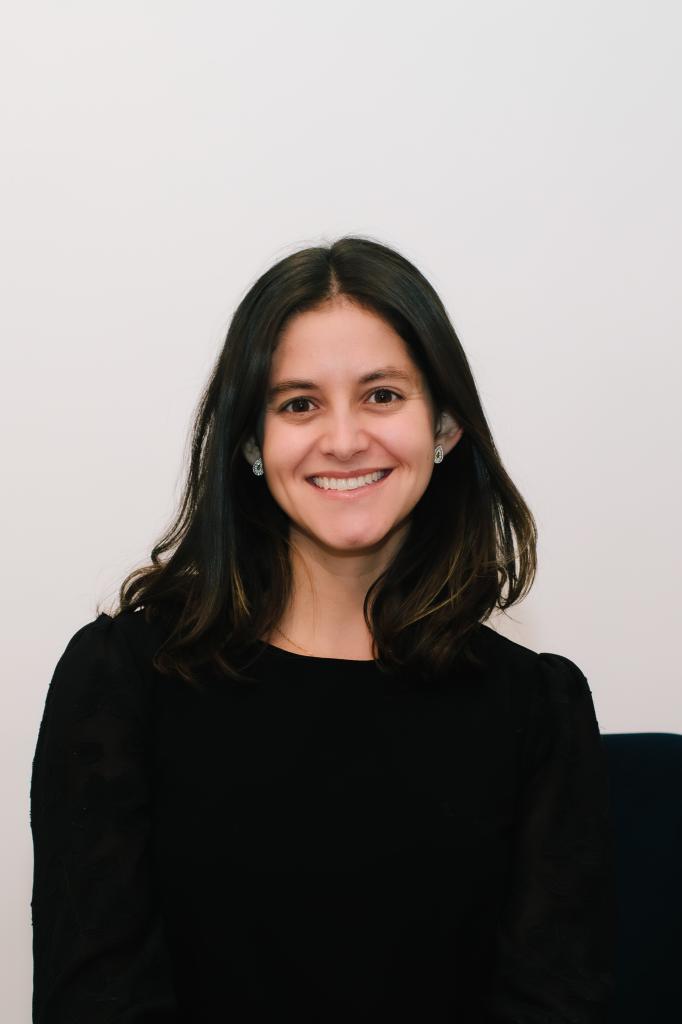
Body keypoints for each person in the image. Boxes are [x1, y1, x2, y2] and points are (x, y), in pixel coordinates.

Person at [30, 236, 616, 1022]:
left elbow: (557, 1000)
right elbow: (93, 999)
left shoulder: (537, 710)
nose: (343, 440)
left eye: (383, 395)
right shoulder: (123, 682)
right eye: (298, 404)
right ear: (251, 442)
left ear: (445, 427)